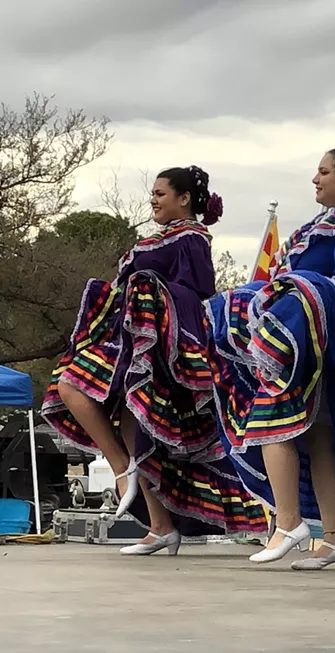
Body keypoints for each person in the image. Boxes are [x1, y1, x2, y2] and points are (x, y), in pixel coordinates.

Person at [42, 166, 267, 555]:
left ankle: (145, 504)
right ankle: (137, 492)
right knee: (75, 389)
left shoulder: (192, 239)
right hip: (127, 339)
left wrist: (148, 288)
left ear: (184, 199)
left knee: (116, 413)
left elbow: (196, 295)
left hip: (158, 347)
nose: (154, 199)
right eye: (153, 193)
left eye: (161, 193)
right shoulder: (162, 238)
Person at [207, 145, 335, 570]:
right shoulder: (319, 225)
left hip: (325, 333)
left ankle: (288, 522)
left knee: (271, 420)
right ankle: (334, 537)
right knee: (318, 435)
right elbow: (281, 278)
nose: (316, 179)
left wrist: (300, 293)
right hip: (305, 333)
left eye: (324, 171)